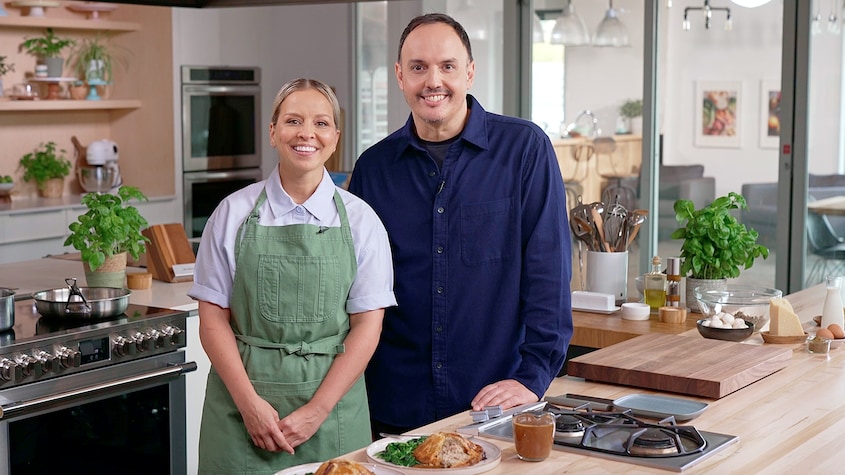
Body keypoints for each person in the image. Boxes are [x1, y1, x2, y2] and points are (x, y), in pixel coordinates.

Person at [348, 13, 573, 435]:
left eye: (447, 66)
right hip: (393, 407)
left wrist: (532, 376)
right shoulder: (373, 169)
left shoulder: (525, 150)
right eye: (418, 67)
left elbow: (549, 274)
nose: (433, 81)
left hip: (493, 408)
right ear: (400, 76)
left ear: (469, 72)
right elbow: (356, 290)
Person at [188, 78, 396, 474]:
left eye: (321, 123)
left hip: (332, 412)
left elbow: (368, 326)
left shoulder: (362, 221)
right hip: (240, 411)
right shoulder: (231, 214)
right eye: (293, 121)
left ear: (335, 138)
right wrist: (249, 406)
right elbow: (212, 321)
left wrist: (317, 410)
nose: (306, 133)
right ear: (273, 132)